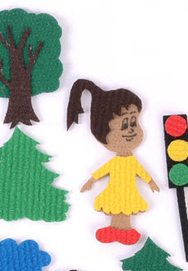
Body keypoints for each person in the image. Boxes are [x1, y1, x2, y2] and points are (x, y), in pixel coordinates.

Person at [66, 80, 159, 245]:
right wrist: (90, 181)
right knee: (117, 206)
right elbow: (102, 171)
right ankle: (114, 229)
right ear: (105, 134)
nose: (131, 129)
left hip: (128, 192)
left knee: (126, 207)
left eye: (133, 122)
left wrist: (151, 182)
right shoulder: (117, 162)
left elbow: (140, 171)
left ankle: (125, 230)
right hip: (117, 192)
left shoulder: (130, 161)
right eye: (125, 124)